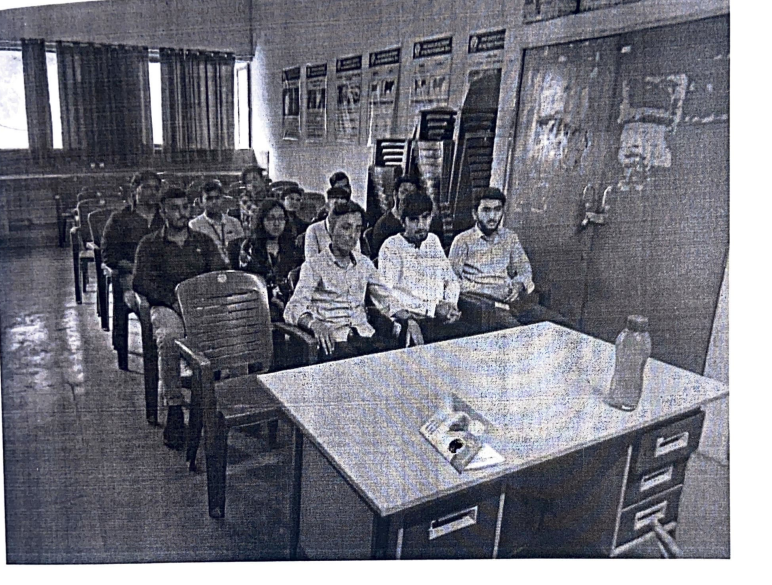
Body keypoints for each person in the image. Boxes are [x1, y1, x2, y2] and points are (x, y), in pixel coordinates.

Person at [133, 186, 227, 451]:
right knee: (171, 338)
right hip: (167, 305)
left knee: (230, 328)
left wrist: (206, 299)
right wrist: (171, 300)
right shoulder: (150, 244)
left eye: (185, 207)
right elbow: (141, 282)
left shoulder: (203, 242)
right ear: (162, 212)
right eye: (174, 208)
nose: (181, 213)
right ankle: (174, 407)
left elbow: (219, 272)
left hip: (200, 304)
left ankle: (223, 400)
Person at [284, 200, 421, 361]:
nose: (352, 235)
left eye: (357, 229)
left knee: (395, 360)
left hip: (365, 336)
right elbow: (292, 308)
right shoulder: (314, 266)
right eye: (346, 227)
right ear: (331, 229)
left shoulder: (364, 263)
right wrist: (314, 324)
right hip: (334, 342)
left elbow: (386, 299)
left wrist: (409, 319)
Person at [448, 187, 566, 332]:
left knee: (560, 324)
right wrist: (488, 291)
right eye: (486, 210)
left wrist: (518, 285)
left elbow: (525, 270)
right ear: (475, 214)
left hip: (513, 301)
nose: (492, 216)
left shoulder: (509, 237)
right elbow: (451, 281)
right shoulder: (462, 241)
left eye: (497, 210)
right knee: (522, 334)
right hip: (484, 306)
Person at [378, 191, 464, 345]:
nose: (421, 225)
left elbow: (451, 280)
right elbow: (388, 295)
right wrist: (432, 309)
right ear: (403, 221)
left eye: (425, 217)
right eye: (414, 220)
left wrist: (450, 305)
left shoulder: (433, 241)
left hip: (442, 316)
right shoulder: (391, 247)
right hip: (412, 317)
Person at [228, 199, 301, 321]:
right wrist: (272, 298)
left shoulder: (292, 247)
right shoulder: (249, 247)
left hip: (290, 303)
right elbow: (248, 284)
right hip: (258, 304)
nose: (276, 223)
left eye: (281, 218)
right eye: (271, 219)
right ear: (261, 221)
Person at [188, 179, 244, 265]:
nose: (214, 202)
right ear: (201, 201)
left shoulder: (234, 222)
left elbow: (243, 249)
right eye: (209, 199)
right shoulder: (194, 225)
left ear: (222, 199)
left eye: (217, 198)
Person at [371, 175, 421, 257]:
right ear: (395, 194)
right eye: (404, 192)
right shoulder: (384, 225)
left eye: (412, 193)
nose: (408, 197)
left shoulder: (418, 222)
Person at [303, 186, 361, 257]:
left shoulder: (352, 230)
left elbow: (357, 256)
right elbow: (311, 260)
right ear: (327, 207)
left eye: (343, 208)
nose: (339, 211)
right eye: (335, 205)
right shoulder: (314, 229)